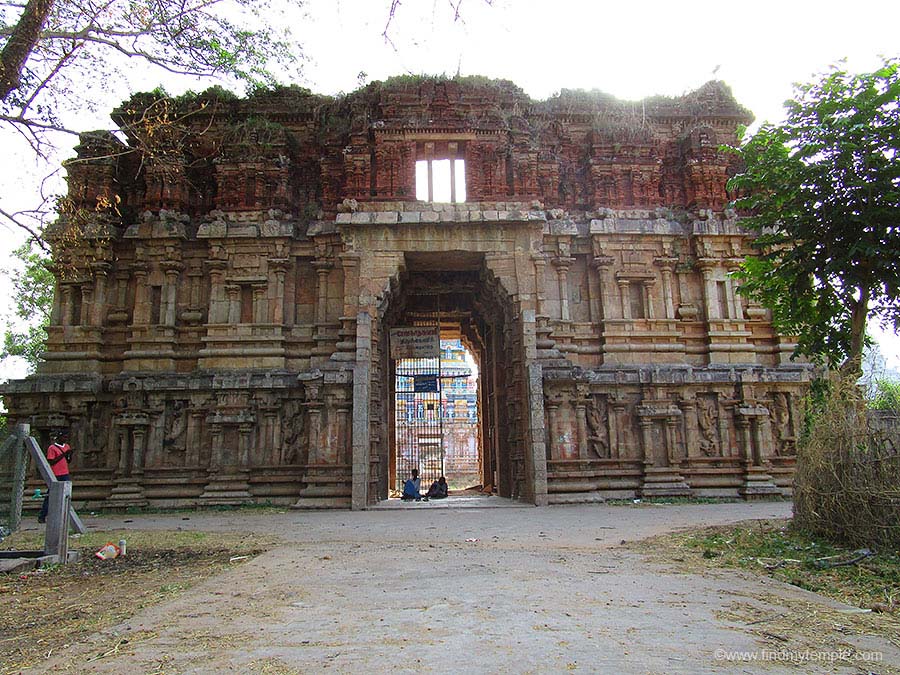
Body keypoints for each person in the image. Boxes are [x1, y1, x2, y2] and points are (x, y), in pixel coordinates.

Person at [38, 431, 73, 524]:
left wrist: (69, 455)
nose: (65, 439)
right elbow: (51, 461)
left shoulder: (67, 446)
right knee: (51, 495)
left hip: (65, 472)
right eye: (63, 437)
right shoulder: (52, 448)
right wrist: (63, 454)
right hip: (55, 473)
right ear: (58, 437)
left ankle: (65, 516)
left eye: (66, 437)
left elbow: (68, 461)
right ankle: (42, 515)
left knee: (67, 495)